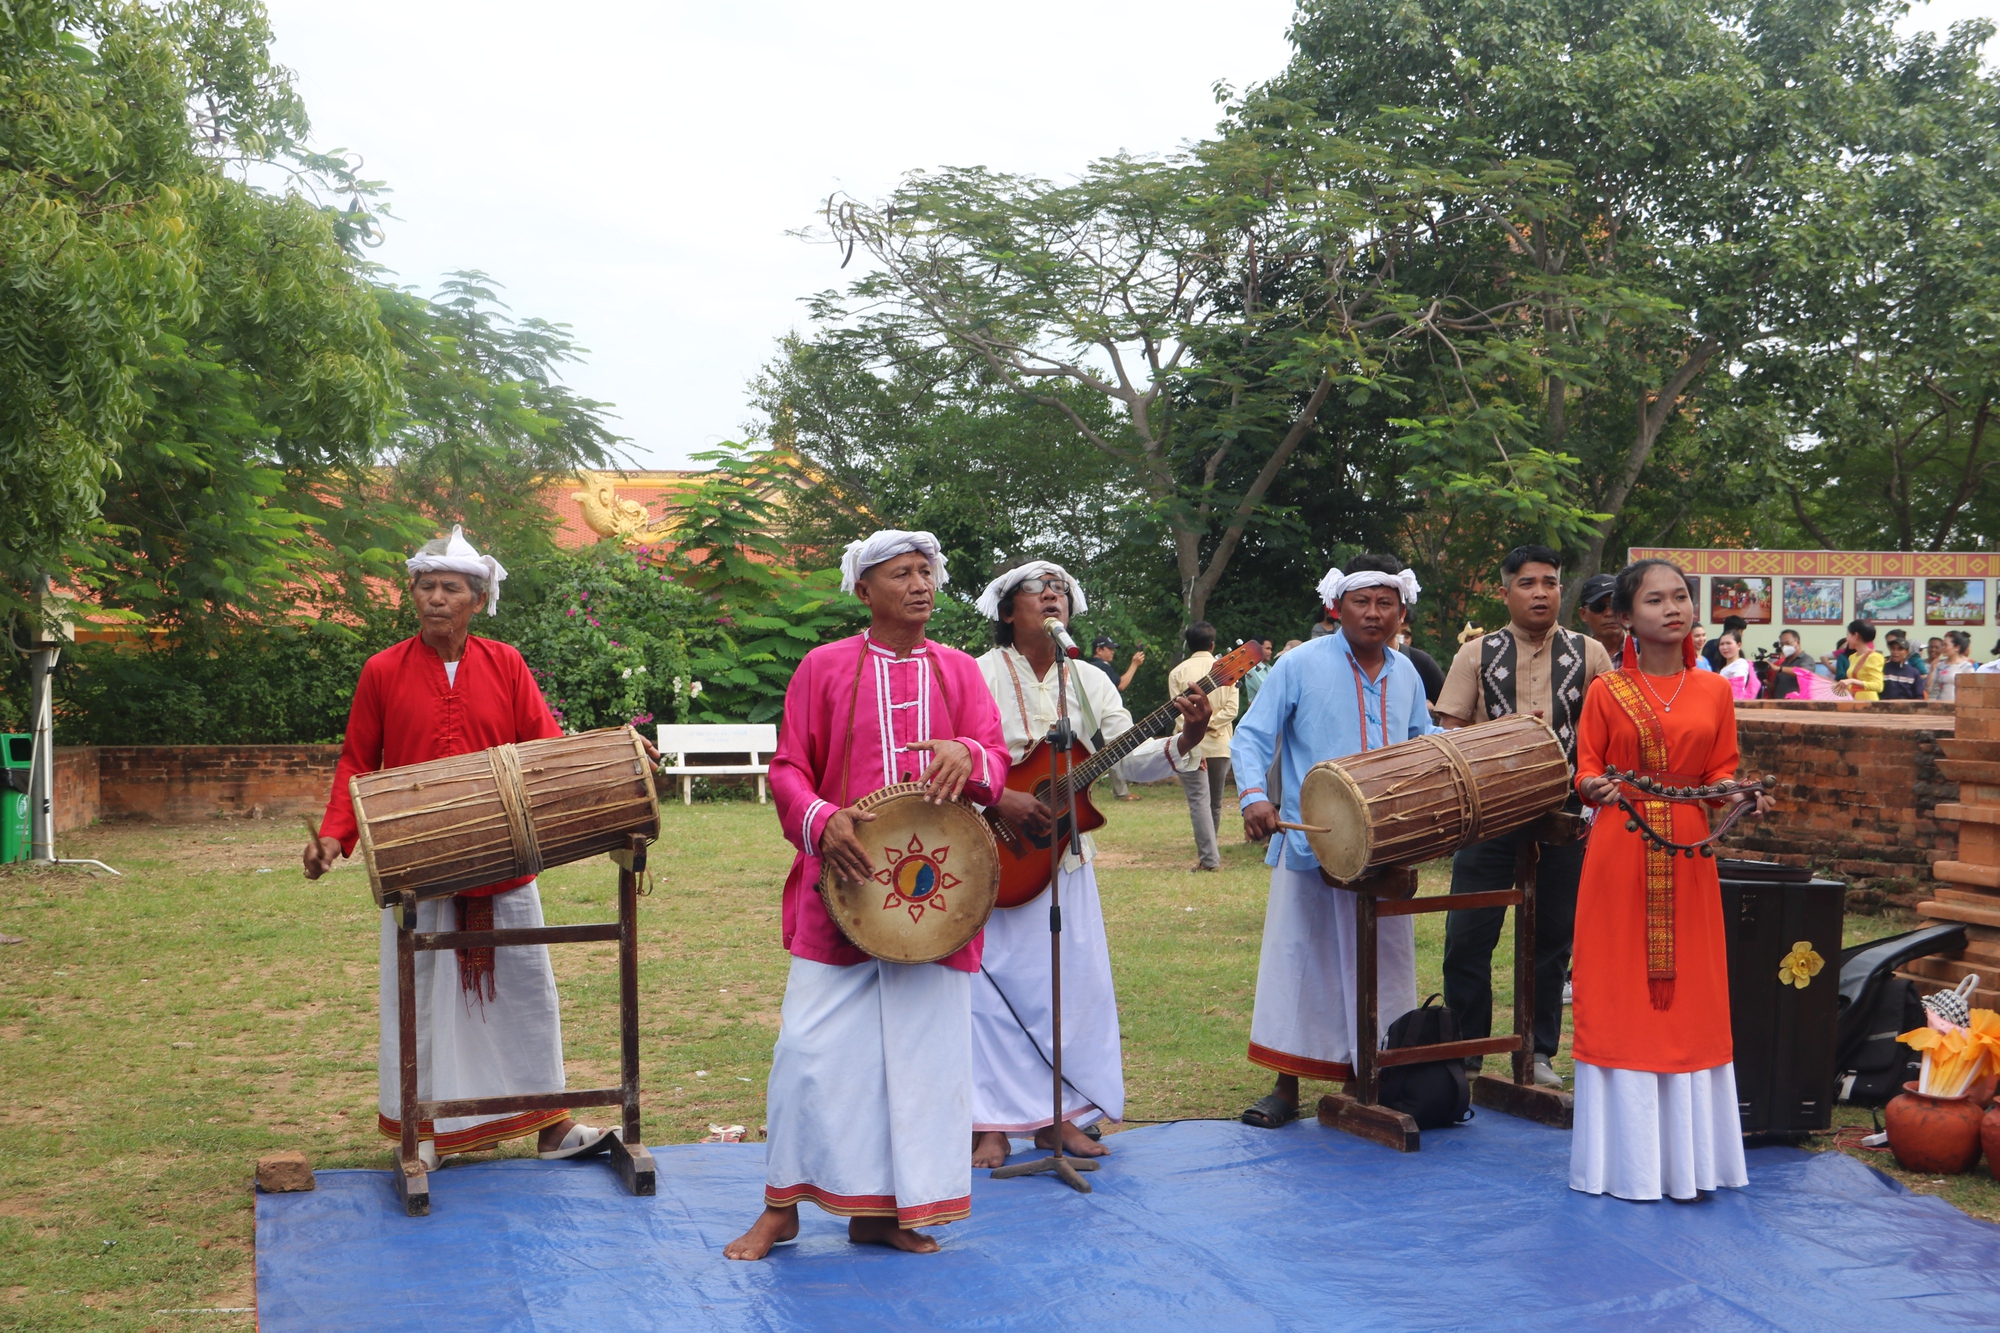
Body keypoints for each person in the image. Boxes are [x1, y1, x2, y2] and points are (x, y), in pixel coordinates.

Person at [726, 530, 1012, 1261]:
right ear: (864, 589)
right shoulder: (823, 667)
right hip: (842, 897)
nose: (920, 584)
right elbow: (789, 769)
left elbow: (996, 763)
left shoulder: (960, 672)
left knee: (920, 1066)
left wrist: (968, 754)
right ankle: (782, 1206)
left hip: (936, 905)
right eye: (901, 573)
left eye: (926, 572)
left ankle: (888, 1212)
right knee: (806, 1053)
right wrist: (822, 822)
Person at [303, 527, 617, 1169]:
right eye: (426, 586)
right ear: (412, 595)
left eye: (451, 588)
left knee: (524, 988)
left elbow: (545, 750)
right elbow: (358, 763)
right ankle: (429, 1132)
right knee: (425, 994)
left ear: (477, 599)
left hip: (505, 863)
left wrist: (600, 774)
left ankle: (549, 1126)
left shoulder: (506, 664)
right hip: (416, 864)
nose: (436, 598)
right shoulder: (382, 671)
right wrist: (336, 837)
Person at [967, 562, 1211, 1169]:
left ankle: (1062, 1119)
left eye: (1061, 593)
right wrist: (1001, 796)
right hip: (991, 850)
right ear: (1006, 612)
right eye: (1037, 591)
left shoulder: (1091, 680)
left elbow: (1129, 757)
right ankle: (987, 1124)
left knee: (1072, 990)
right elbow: (958, 754)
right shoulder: (976, 675)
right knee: (989, 994)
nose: (1053, 597)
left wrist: (1185, 737)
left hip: (1066, 858)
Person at [1571, 558, 1772, 1201]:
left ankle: (1694, 1161)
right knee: (1616, 979)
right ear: (1626, 617)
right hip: (1620, 846)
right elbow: (1586, 766)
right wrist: (1595, 786)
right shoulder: (1606, 689)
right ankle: (1620, 1163)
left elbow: (1720, 774)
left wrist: (1740, 795)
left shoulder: (1714, 690)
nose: (1672, 608)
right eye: (1654, 600)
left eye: (1680, 597)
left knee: (1694, 982)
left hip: (1687, 850)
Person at [1231, 554, 1436, 1128]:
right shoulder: (1299, 665)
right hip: (1312, 843)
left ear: (1401, 610)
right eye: (1362, 602)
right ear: (1337, 607)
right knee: (1300, 959)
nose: (1374, 614)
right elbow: (1252, 735)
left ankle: (1365, 1079)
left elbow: (1423, 742)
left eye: (1385, 603)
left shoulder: (1409, 674)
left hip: (1388, 844)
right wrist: (1253, 797)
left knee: (1386, 964)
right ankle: (1285, 1085)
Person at [1435, 545, 1613, 1089]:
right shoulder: (1476, 653)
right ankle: (1466, 1052)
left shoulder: (1591, 654)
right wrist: (1503, 749)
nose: (1542, 592)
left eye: (1551, 583)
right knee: (1469, 934)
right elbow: (1450, 732)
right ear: (1506, 591)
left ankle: (1535, 1053)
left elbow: (1607, 736)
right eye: (1529, 583)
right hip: (1488, 816)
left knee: (1552, 939)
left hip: (1566, 817)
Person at [1168, 622, 1239, 873]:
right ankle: (1211, 852)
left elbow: (1176, 714)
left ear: (1189, 645)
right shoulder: (1228, 670)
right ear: (1212, 645)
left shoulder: (1178, 671)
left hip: (1189, 745)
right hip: (1220, 743)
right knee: (1215, 803)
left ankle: (1209, 857)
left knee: (1198, 801)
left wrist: (1197, 728)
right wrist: (1211, 725)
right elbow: (1232, 710)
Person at [1087, 636, 1146, 802]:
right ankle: (1121, 792)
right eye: (1109, 648)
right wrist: (1134, 664)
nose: (1112, 651)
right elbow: (1121, 685)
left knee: (1103, 754)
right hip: (1102, 719)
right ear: (1099, 650)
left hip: (1092, 718)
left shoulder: (1091, 667)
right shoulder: (1101, 667)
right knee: (1114, 750)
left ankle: (1119, 791)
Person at [1576, 573, 1624, 663]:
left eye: (1615, 605)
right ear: (1583, 614)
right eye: (1598, 607)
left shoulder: (1646, 651)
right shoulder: (1574, 658)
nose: (1609, 613)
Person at [1834, 620, 1884, 701]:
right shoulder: (1852, 657)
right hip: (1854, 700)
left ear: (1855, 635)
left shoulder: (1874, 657)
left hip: (1868, 702)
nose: (1847, 639)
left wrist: (1852, 681)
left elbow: (1878, 686)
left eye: (1848, 635)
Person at [1397, 623, 1446, 703]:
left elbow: (1449, 705)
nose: (1402, 638)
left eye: (1406, 636)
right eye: (1398, 634)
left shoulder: (1422, 662)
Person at [1932, 631, 1976, 701]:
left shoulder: (1966, 667)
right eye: (1942, 645)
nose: (1943, 648)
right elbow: (1931, 688)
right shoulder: (1940, 665)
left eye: (1946, 645)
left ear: (1957, 647)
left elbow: (1972, 690)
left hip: (1959, 706)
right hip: (1941, 706)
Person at [1880, 636, 1926, 700]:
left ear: (1907, 652)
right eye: (1893, 648)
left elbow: (1919, 696)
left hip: (1907, 709)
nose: (1895, 652)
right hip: (1883, 708)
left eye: (1900, 649)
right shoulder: (1882, 669)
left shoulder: (1913, 673)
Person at [1716, 631, 1759, 700]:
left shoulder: (1739, 665)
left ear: (1739, 645)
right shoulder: (1727, 666)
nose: (1724, 647)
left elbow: (1736, 693)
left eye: (1728, 643)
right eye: (1721, 644)